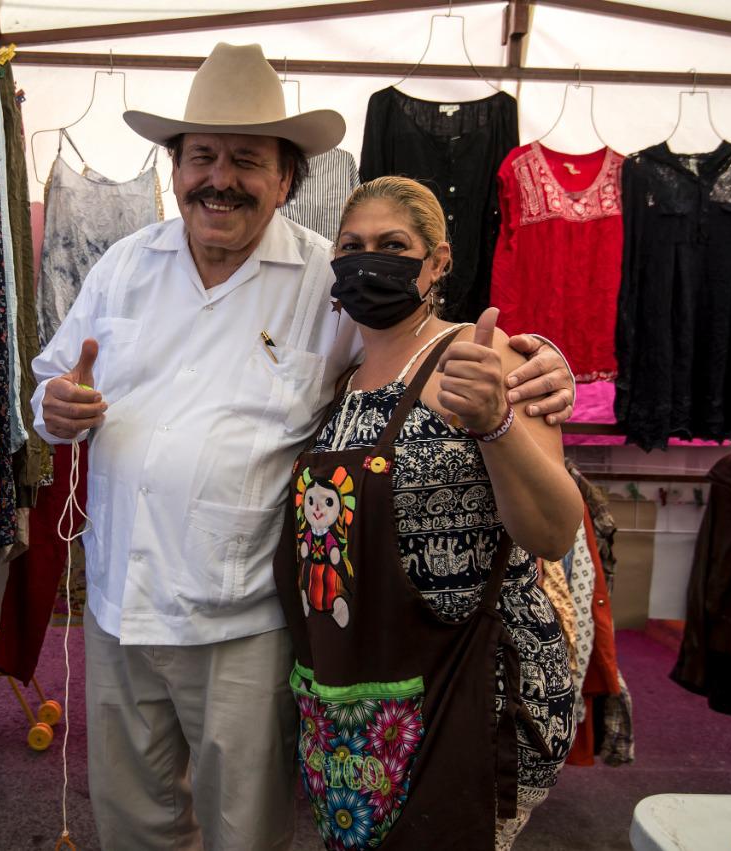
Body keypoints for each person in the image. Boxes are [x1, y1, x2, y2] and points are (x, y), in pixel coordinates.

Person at [30, 43, 577, 850]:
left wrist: (536, 356)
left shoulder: (331, 279)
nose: (220, 178)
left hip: (241, 627)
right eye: (201, 156)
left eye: (247, 161)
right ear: (173, 167)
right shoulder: (121, 267)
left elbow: (420, 348)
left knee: (244, 832)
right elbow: (48, 387)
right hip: (119, 609)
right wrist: (54, 407)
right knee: (132, 826)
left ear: (287, 179)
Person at [274, 176, 581, 850]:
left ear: (437, 262)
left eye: (393, 245)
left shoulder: (486, 356)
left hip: (470, 691)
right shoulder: (342, 376)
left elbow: (554, 531)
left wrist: (496, 421)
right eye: (352, 246)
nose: (368, 260)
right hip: (358, 695)